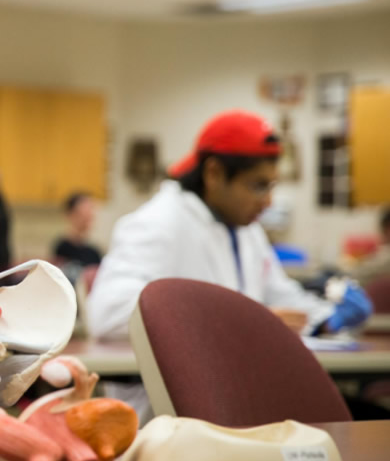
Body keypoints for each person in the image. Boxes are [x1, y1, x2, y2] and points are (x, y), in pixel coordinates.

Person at [88, 110, 373, 422]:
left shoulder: (246, 230)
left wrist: (326, 319)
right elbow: (107, 313)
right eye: (257, 186)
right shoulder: (157, 223)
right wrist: (238, 323)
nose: (268, 202)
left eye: (271, 186)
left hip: (240, 396)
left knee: (361, 421)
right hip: (171, 419)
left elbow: (279, 297)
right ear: (213, 173)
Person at [51, 191, 102, 276]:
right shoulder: (62, 249)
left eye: (90, 211)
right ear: (70, 215)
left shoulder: (94, 252)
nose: (89, 216)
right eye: (83, 213)